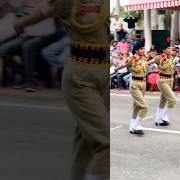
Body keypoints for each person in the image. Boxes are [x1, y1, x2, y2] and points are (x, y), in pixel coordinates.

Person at [0, 0, 109, 179]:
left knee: (87, 142)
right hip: (80, 76)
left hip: (105, 74)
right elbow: (24, 21)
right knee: (106, 142)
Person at [115, 42, 148, 135]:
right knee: (144, 106)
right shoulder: (132, 59)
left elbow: (147, 68)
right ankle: (137, 125)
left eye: (143, 49)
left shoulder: (143, 58)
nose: (143, 50)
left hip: (143, 83)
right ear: (137, 50)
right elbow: (124, 65)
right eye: (141, 49)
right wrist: (115, 69)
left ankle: (132, 126)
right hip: (135, 84)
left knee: (137, 106)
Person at [148, 44, 176, 126]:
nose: (170, 49)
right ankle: (161, 117)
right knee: (172, 100)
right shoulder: (159, 57)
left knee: (163, 100)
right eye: (168, 48)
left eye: (170, 48)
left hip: (170, 79)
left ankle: (158, 120)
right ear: (164, 50)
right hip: (162, 80)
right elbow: (149, 62)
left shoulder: (170, 57)